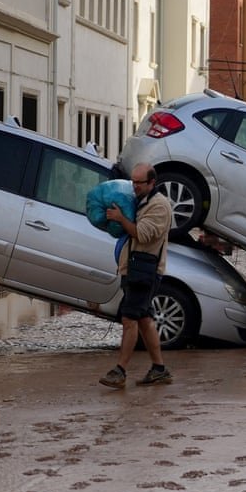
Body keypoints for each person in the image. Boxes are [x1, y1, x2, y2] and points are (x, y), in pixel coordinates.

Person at [99, 163, 174, 388]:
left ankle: (120, 371)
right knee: (144, 319)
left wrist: (121, 219)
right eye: (133, 182)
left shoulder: (159, 206)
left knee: (129, 318)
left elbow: (142, 234)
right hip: (133, 269)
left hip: (145, 272)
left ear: (152, 183)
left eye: (139, 183)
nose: (135, 186)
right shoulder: (141, 201)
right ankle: (159, 369)